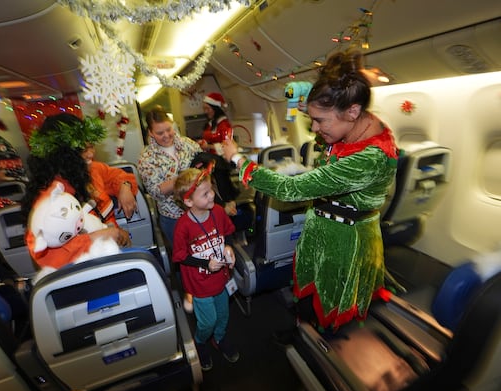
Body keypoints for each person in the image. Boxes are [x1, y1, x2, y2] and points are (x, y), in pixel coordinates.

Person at [222, 50, 399, 331]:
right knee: (309, 295)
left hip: (344, 244)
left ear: (352, 111)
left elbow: (290, 188)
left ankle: (321, 345)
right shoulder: (353, 125)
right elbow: (329, 130)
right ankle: (304, 328)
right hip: (324, 232)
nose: (314, 128)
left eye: (320, 121)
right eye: (311, 119)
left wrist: (238, 160)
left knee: (334, 303)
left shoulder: (369, 160)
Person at [22, 113, 132, 269]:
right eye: (82, 149)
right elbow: (45, 255)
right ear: (63, 155)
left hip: (110, 253)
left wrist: (125, 186)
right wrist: (97, 237)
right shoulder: (50, 196)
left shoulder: (90, 170)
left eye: (91, 146)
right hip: (83, 271)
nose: (91, 153)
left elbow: (119, 175)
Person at [171, 164, 238, 371]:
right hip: (199, 283)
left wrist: (228, 247)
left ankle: (219, 338)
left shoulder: (217, 212)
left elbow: (226, 234)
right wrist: (205, 264)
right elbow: (180, 256)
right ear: (188, 201)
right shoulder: (183, 226)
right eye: (205, 194)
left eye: (211, 190)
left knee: (223, 316)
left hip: (221, 277)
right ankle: (201, 342)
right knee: (207, 322)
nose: (212, 196)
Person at [138, 106, 203, 243]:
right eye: (160, 133)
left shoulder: (188, 144)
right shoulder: (147, 158)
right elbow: (155, 192)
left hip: (200, 210)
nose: (166, 135)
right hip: (173, 218)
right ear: (150, 132)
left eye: (169, 129)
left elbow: (204, 167)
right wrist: (182, 180)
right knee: (184, 258)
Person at [198, 92, 238, 216]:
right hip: (214, 157)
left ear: (215, 108)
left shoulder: (224, 124)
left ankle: (227, 201)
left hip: (223, 159)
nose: (206, 111)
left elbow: (226, 145)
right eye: (204, 108)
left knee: (217, 171)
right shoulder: (212, 123)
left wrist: (208, 146)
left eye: (208, 108)